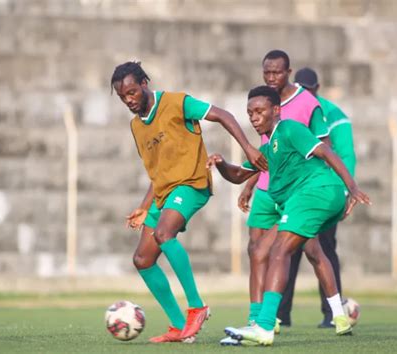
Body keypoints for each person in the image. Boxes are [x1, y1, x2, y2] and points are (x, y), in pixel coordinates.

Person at [110, 61, 267, 343]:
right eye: (123, 97)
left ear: (144, 84)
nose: (129, 100)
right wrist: (145, 206)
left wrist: (248, 147)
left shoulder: (176, 102)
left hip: (192, 184)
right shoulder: (137, 126)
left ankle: (197, 306)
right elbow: (157, 172)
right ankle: (180, 328)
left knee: (163, 234)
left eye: (132, 92)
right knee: (142, 260)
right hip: (163, 193)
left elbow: (223, 115)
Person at [208, 85, 371, 346]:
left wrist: (352, 187)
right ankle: (339, 317)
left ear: (276, 110)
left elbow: (326, 152)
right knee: (309, 251)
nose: (254, 117)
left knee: (278, 252)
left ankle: (263, 326)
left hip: (316, 192)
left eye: (259, 111)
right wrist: (221, 164)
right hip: (306, 200)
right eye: (250, 112)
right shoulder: (269, 146)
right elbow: (238, 175)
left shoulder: (290, 129)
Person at [225, 49, 330, 343]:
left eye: (277, 72)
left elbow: (323, 147)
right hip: (265, 188)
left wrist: (337, 186)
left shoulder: (306, 105)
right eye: (267, 72)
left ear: (288, 72)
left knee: (305, 252)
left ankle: (331, 312)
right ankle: (257, 320)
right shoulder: (261, 103)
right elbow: (265, 155)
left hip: (299, 191)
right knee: (256, 251)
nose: (271, 77)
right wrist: (248, 184)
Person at [279, 67, 357, 328]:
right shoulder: (289, 107)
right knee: (289, 250)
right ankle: (281, 315)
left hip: (325, 193)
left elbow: (344, 155)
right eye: (301, 87)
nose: (305, 92)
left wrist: (346, 192)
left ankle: (331, 314)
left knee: (323, 250)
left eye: (309, 89)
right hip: (297, 191)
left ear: (317, 89)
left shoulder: (333, 115)